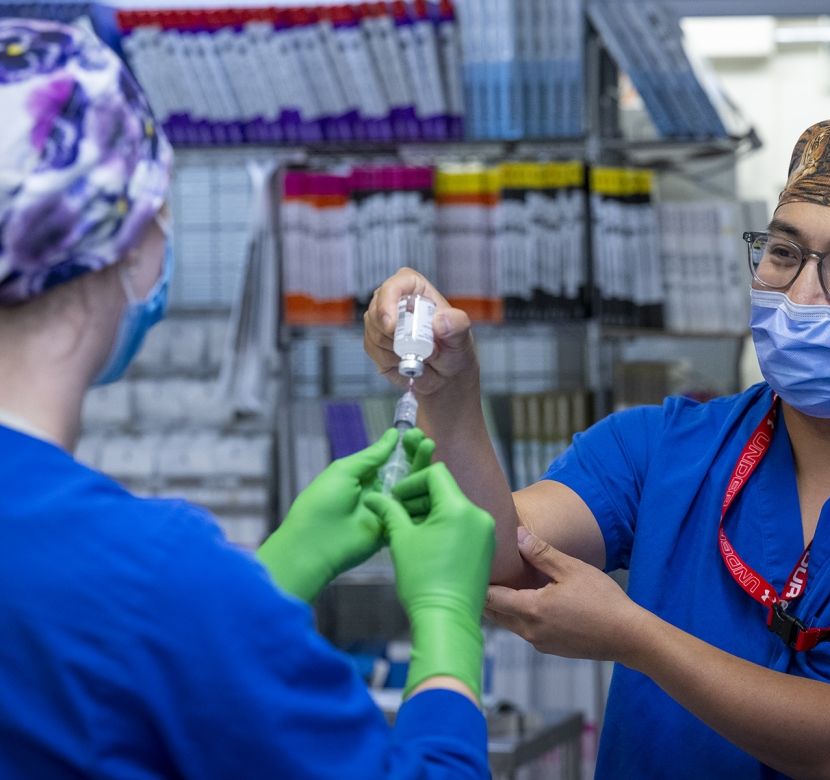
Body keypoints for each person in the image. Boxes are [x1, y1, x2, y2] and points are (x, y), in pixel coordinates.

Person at [364, 116, 830, 778]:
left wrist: (635, 637)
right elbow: (497, 561)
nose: (800, 296)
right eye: (782, 253)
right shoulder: (660, 447)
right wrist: (448, 394)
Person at [0, 18, 494, 779]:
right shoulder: (153, 573)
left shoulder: (139, 583)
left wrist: (268, 580)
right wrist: (449, 628)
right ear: (128, 238)